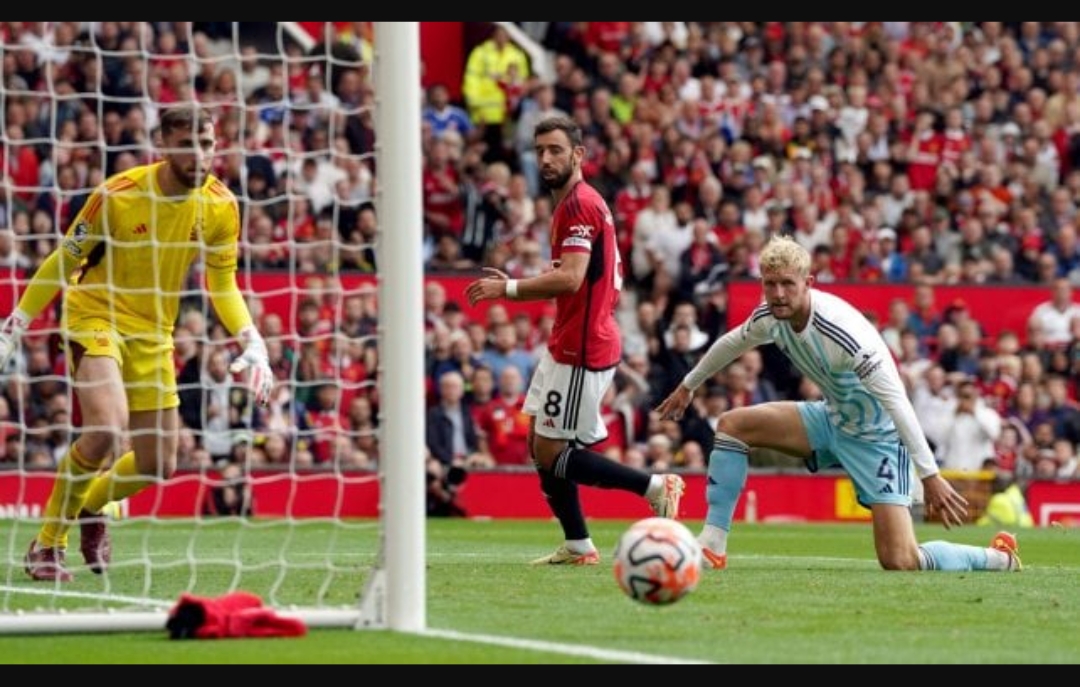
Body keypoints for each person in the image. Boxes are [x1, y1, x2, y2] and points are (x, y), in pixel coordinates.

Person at [0, 106, 273, 582]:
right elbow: (65, 259)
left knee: (160, 462)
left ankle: (89, 507)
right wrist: (14, 324)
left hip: (155, 332)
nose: (199, 156)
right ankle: (47, 543)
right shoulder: (117, 195)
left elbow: (222, 282)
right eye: (187, 145)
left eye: (206, 144)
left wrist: (252, 338)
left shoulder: (221, 205)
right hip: (96, 315)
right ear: (164, 146)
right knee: (107, 426)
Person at [655, 235, 1022, 573]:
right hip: (831, 418)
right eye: (771, 284)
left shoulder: (844, 333)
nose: (779, 293)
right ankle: (712, 545)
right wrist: (689, 385)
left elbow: (897, 401)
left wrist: (930, 476)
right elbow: (732, 343)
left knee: (900, 559)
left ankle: (996, 558)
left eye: (788, 284)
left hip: (877, 437)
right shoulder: (770, 316)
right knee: (733, 426)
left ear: (808, 283)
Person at [465, 115, 684, 565]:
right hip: (570, 341)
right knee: (539, 444)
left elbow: (570, 279)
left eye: (556, 150)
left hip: (583, 348)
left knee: (550, 452)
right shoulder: (572, 204)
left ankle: (655, 487)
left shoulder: (580, 205)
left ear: (578, 155)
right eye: (540, 150)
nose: (546, 158)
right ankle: (579, 544)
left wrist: (506, 288)